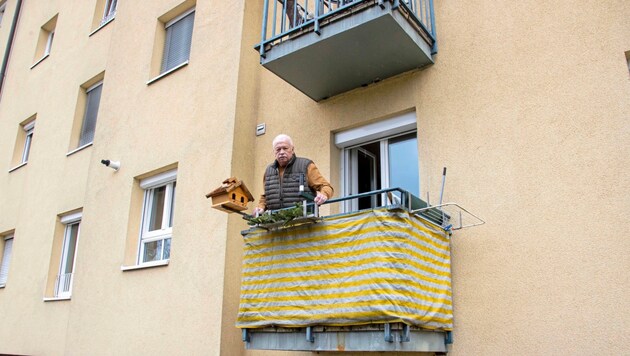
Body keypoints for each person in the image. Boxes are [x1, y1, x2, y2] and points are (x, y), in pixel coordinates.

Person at [253, 134, 333, 215]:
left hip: (304, 222)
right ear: (274, 152)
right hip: (276, 224)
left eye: (285, 148)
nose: (281, 152)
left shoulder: (305, 165)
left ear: (292, 149)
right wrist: (260, 207)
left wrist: (323, 195)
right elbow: (267, 196)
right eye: (278, 149)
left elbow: (326, 187)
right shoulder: (268, 171)